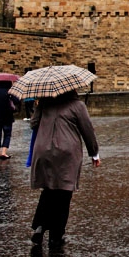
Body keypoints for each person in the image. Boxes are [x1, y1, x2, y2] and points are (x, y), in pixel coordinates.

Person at [29, 89, 100, 248]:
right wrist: (94, 153)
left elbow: (33, 124)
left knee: (48, 190)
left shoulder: (45, 103)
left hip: (44, 151)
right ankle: (56, 235)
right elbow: (87, 130)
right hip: (66, 153)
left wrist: (38, 106)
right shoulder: (77, 105)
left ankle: (39, 227)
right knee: (64, 192)